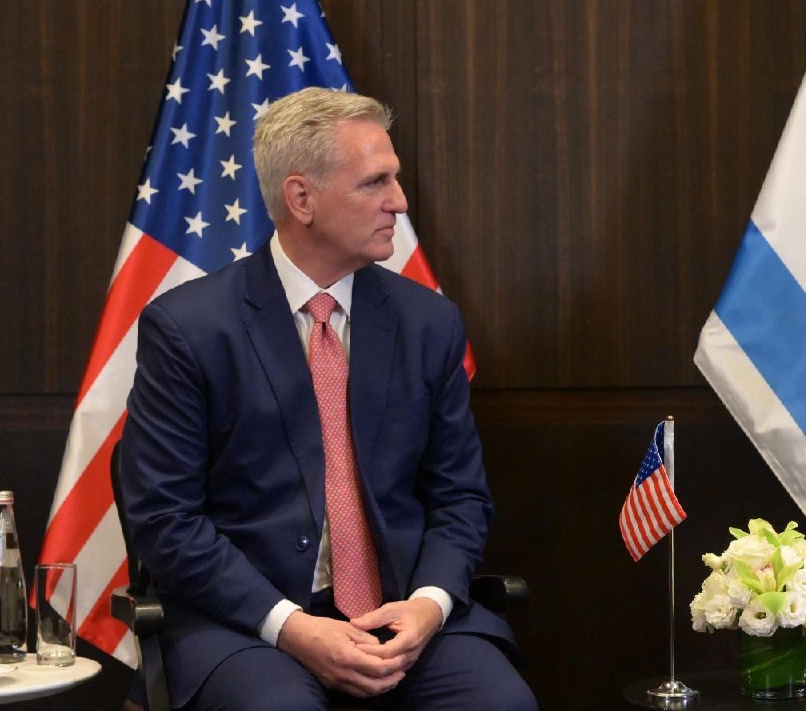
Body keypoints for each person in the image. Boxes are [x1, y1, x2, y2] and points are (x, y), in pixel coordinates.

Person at [118, 87, 537, 710]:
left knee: (498, 703)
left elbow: (460, 497)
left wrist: (428, 606)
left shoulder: (429, 324)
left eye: (395, 180)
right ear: (301, 198)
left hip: (404, 617)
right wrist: (293, 626)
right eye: (376, 182)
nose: (399, 200)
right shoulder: (189, 328)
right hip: (250, 625)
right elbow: (165, 520)